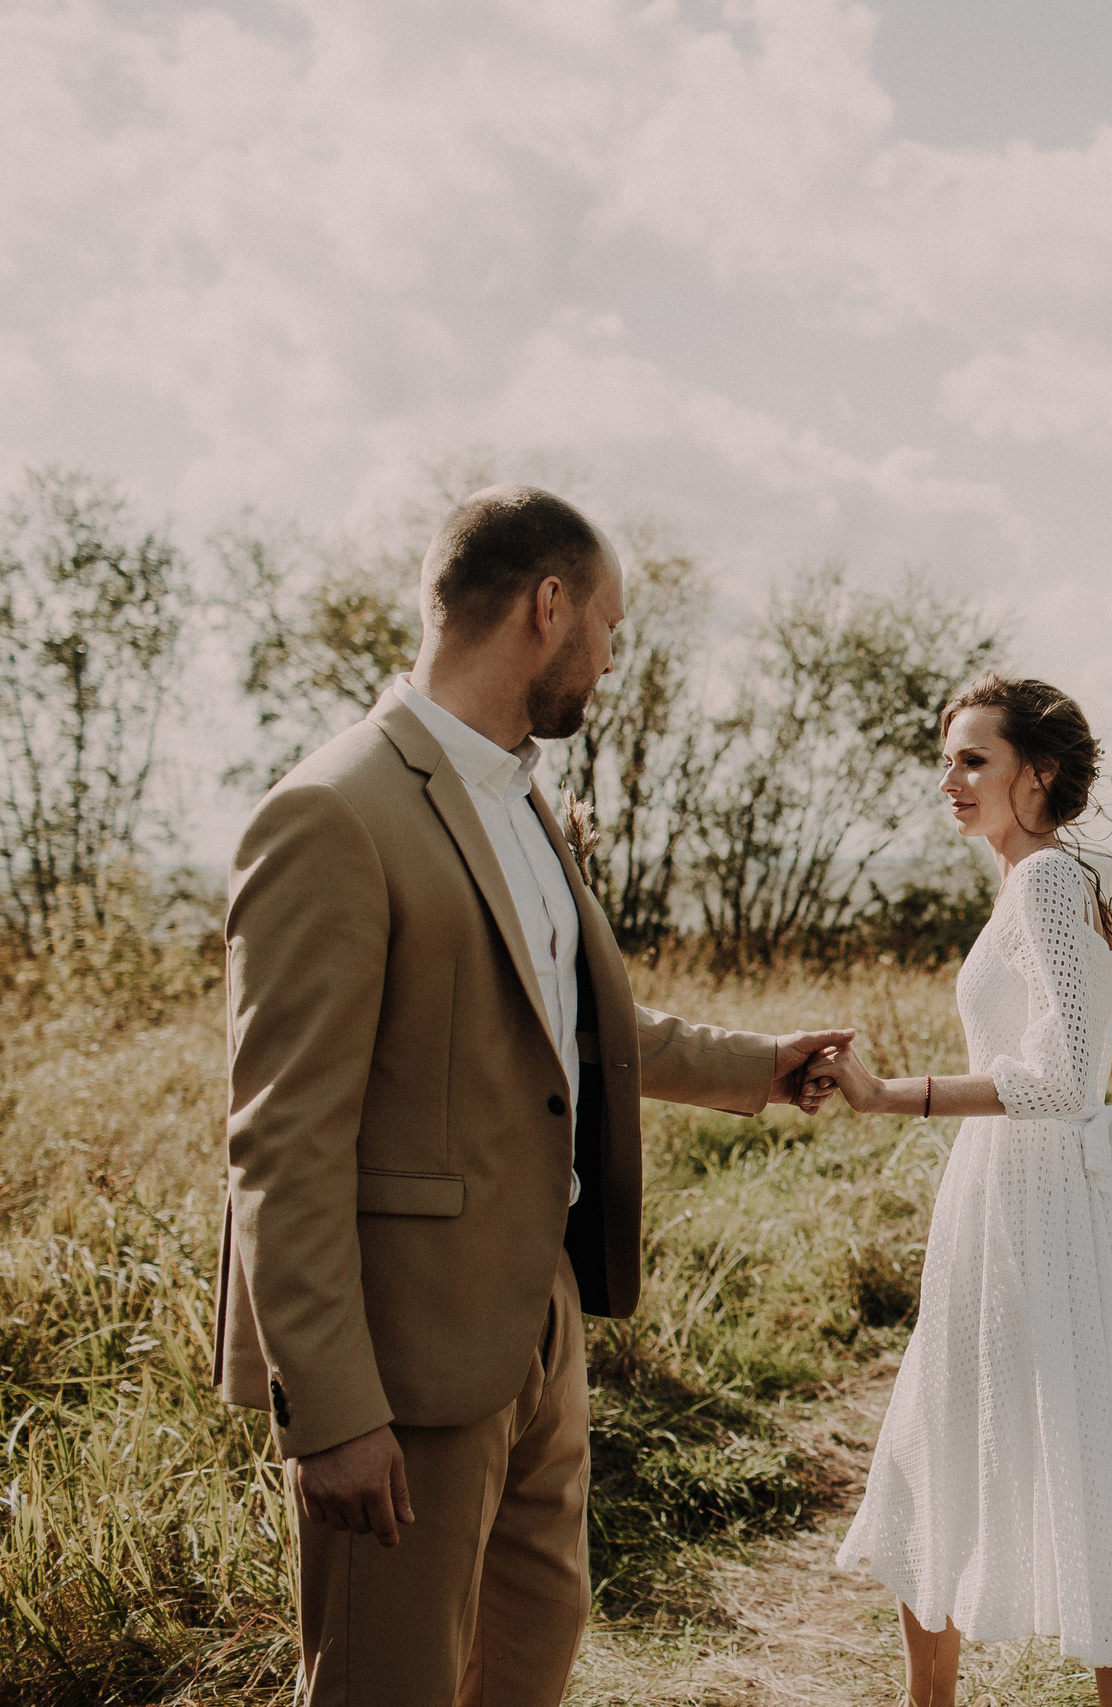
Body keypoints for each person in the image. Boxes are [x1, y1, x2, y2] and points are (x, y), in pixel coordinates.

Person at [216, 485, 854, 1707]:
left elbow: (567, 1026)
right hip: (403, 1355)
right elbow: (280, 1142)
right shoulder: (331, 813)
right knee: (390, 1685)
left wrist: (760, 1066)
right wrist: (332, 1411)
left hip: (539, 1315)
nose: (611, 660)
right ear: (546, 608)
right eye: (609, 627)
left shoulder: (517, 798)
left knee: (530, 1656)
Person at [813, 674, 1112, 1707]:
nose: (950, 779)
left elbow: (1064, 1078)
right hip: (1005, 1193)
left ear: (1040, 772)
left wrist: (889, 1095)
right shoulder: (1027, 883)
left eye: (974, 759)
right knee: (949, 1441)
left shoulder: (1044, 883)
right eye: (947, 758)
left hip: (1047, 1207)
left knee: (1085, 1459)